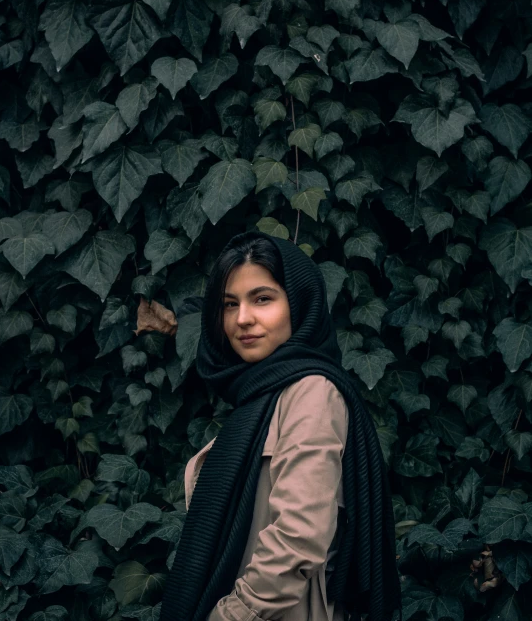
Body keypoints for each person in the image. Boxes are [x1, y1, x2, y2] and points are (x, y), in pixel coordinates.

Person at [158, 230, 402, 621]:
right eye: (229, 304)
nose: (242, 319)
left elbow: (297, 539)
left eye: (263, 299)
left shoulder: (312, 392)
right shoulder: (259, 396)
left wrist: (230, 616)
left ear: (299, 303)